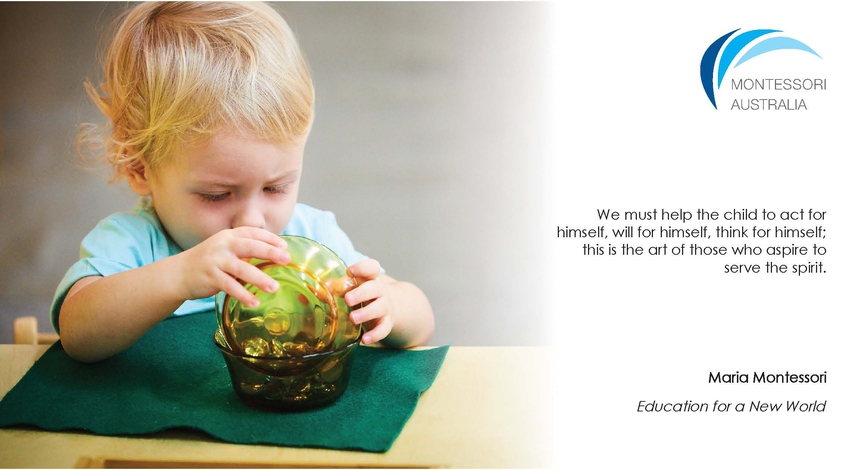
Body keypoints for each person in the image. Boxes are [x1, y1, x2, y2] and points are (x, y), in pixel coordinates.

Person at [51, 2, 434, 363]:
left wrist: (389, 305)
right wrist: (179, 277)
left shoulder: (312, 238)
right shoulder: (132, 243)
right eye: (216, 195)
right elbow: (78, 335)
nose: (252, 221)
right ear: (140, 169)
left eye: (275, 188)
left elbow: (422, 320)